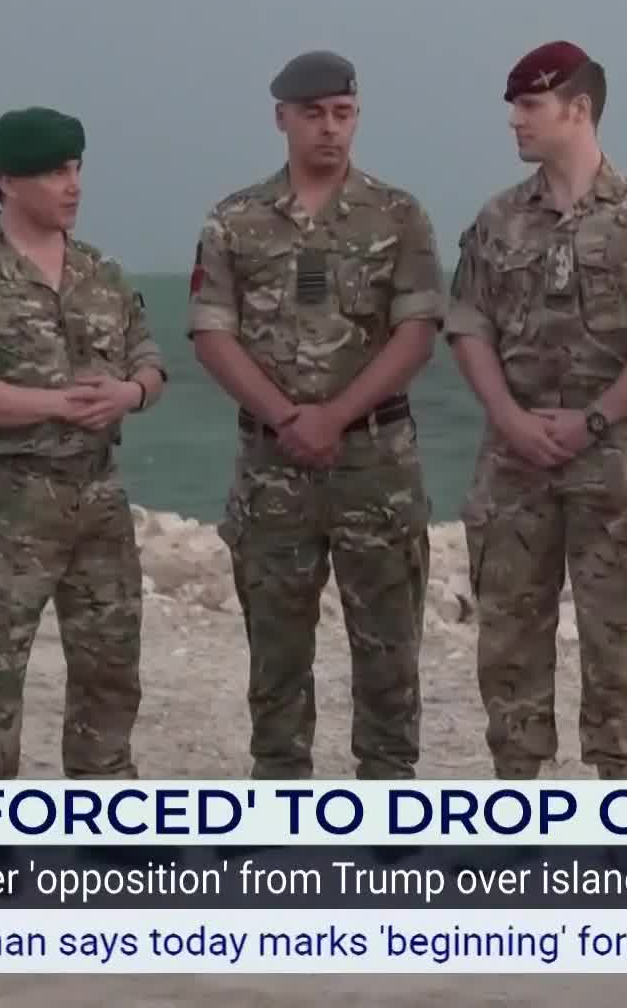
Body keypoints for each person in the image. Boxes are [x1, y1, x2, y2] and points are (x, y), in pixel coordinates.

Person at [448, 40, 627, 780]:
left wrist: (594, 418)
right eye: (514, 106)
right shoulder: (497, 220)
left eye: (529, 106)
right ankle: (519, 811)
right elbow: (468, 326)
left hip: (607, 467)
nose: (514, 122)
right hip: (511, 466)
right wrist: (509, 417)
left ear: (578, 108)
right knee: (509, 646)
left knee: (616, 645)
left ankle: (622, 816)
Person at [189, 51, 441, 780]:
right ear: (281, 119)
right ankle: (280, 787)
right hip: (273, 468)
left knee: (389, 645)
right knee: (276, 646)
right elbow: (211, 332)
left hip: (374, 466)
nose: (330, 129)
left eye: (343, 113)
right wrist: (287, 418)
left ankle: (390, 795)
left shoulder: (397, 215)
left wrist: (334, 416)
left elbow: (417, 331)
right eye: (313, 114)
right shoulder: (236, 220)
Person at [0, 106, 167, 780]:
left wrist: (130, 394)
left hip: (99, 498)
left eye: (77, 168)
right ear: (5, 181)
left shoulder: (101, 273)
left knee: (111, 666)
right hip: (10, 501)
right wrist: (58, 405)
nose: (73, 184)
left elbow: (151, 363)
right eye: (55, 171)